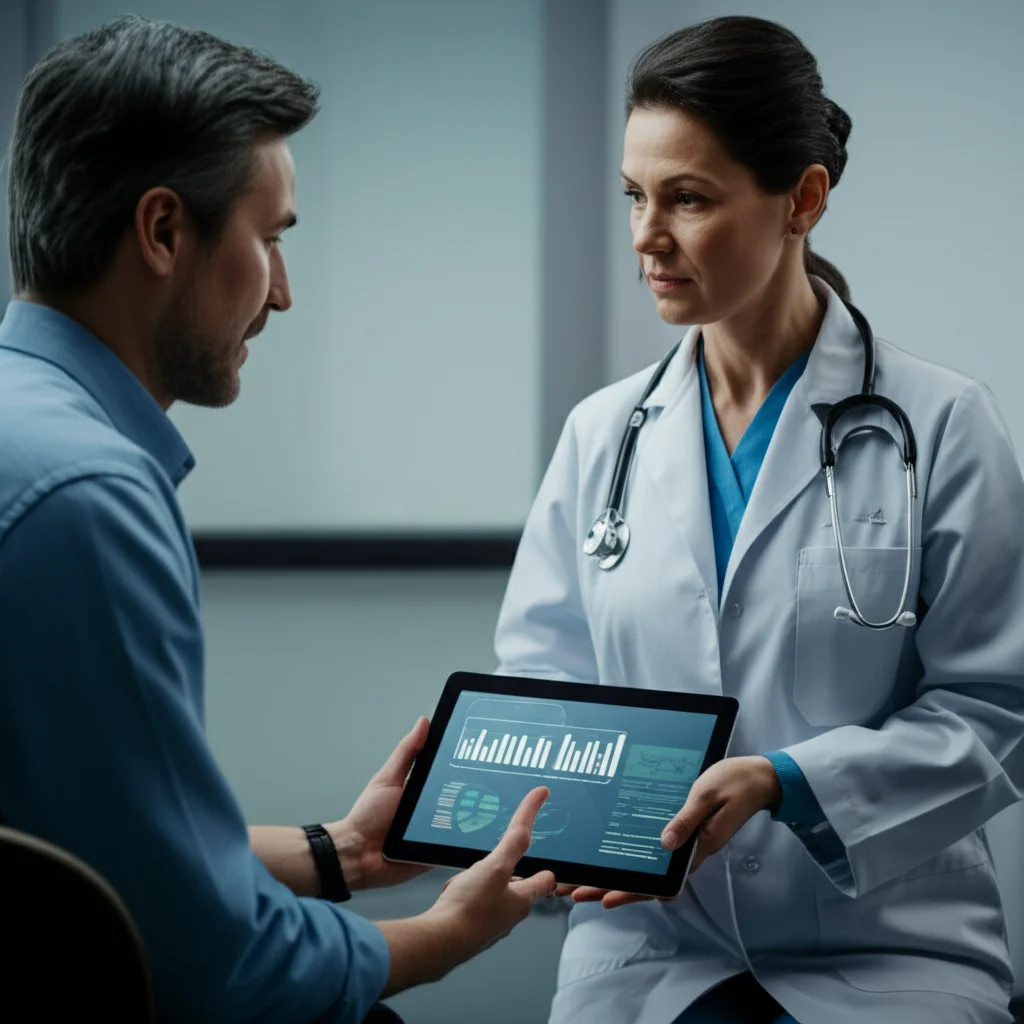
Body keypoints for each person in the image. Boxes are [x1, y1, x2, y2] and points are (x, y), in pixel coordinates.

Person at [0, 16, 558, 1024]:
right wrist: (447, 934)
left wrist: (340, 851)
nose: (284, 293)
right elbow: (215, 964)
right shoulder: (87, 497)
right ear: (164, 231)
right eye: (271, 238)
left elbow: (79, 840)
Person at [495, 15, 1024, 1024]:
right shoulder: (603, 433)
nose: (648, 237)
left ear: (802, 199)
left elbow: (996, 709)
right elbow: (544, 682)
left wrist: (788, 782)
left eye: (688, 199)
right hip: (650, 941)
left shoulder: (942, 424)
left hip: (886, 942)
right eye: (634, 198)